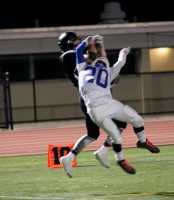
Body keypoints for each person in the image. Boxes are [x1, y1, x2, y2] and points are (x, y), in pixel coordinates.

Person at [60, 35, 160, 178]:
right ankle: (112, 155)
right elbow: (88, 55)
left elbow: (109, 62)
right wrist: (91, 42)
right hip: (93, 102)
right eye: (75, 41)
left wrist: (119, 56)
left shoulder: (98, 69)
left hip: (102, 99)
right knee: (117, 129)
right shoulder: (73, 59)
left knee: (97, 133)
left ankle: (74, 156)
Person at [58, 32, 128, 177]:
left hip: (91, 96)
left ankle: (69, 157)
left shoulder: (71, 56)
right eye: (76, 40)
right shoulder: (69, 55)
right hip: (93, 98)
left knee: (92, 134)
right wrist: (93, 43)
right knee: (121, 122)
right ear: (69, 43)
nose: (79, 41)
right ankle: (104, 151)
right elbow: (93, 59)